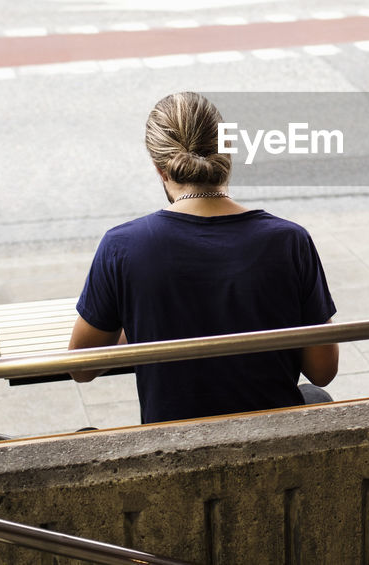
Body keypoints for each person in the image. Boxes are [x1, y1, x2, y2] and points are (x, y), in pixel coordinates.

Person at [68, 92, 339, 424]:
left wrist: (145, 323)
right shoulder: (289, 240)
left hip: (175, 449)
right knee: (316, 397)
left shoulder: (122, 247)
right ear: (227, 153)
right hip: (272, 441)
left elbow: (81, 367)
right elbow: (323, 370)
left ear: (159, 169)